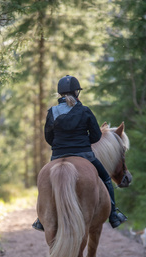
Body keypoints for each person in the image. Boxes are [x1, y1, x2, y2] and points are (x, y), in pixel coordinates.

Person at [32, 75, 127, 231]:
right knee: (106, 180)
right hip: (85, 154)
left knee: (45, 182)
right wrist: (82, 142)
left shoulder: (52, 112)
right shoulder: (85, 111)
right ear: (77, 93)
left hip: (58, 155)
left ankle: (41, 219)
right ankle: (114, 215)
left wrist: (61, 146)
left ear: (60, 94)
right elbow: (96, 136)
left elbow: (48, 137)